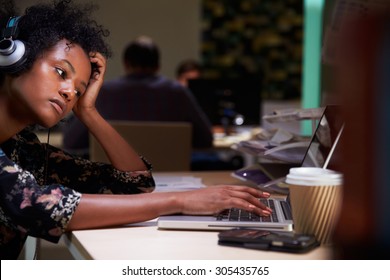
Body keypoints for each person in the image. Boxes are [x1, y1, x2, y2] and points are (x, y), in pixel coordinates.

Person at [0, 0, 272, 259]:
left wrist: (89, 112)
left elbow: (135, 185)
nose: (70, 91)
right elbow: (35, 204)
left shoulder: (24, 149)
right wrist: (180, 201)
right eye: (61, 72)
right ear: (11, 56)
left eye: (79, 90)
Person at [63, 36, 213, 156]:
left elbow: (71, 142)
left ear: (126, 64)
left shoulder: (103, 92)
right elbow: (206, 140)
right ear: (157, 66)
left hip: (115, 183)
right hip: (173, 181)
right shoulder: (179, 92)